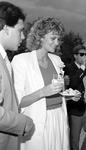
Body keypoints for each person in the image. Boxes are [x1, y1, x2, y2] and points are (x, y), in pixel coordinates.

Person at [11, 16, 80, 150]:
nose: (57, 43)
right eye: (53, 38)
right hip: (37, 121)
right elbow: (17, 102)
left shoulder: (56, 60)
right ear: (40, 37)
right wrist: (43, 92)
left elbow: (57, 92)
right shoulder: (21, 61)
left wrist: (69, 96)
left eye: (58, 39)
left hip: (59, 118)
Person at [0, 1, 34, 150]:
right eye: (20, 30)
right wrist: (23, 122)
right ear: (6, 28)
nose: (23, 36)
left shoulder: (4, 59)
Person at [64, 45, 86, 150]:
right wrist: (82, 67)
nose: (84, 56)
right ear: (75, 56)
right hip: (76, 108)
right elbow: (73, 83)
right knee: (74, 139)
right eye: (81, 54)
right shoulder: (68, 68)